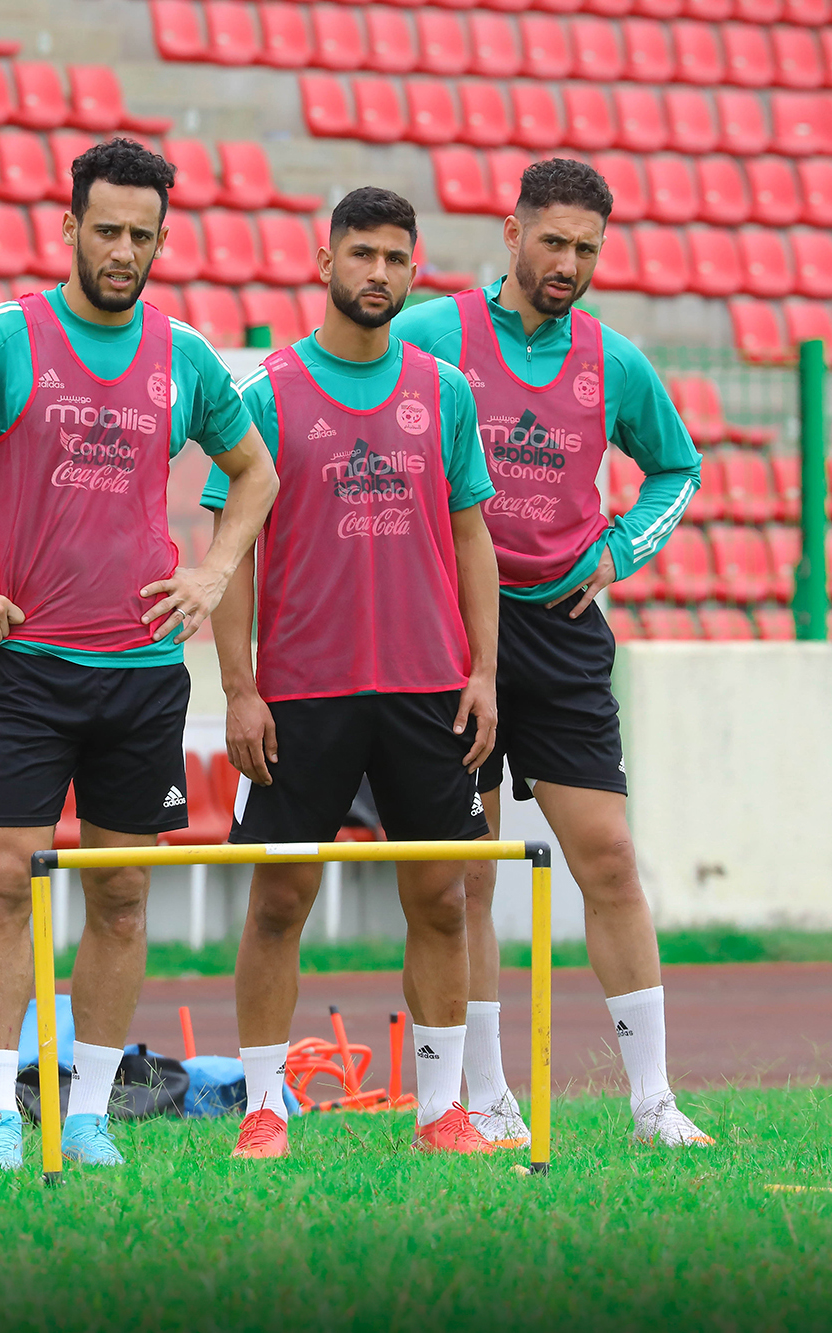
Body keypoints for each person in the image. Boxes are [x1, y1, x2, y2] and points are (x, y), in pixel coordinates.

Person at [0, 139, 278, 1172]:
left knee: (122, 894)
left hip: (142, 675)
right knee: (5, 880)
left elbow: (256, 472)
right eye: (106, 231)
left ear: (161, 239)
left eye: (142, 235)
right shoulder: (5, 338)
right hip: (29, 667)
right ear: (68, 228)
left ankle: (86, 1114)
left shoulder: (182, 354)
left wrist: (213, 571)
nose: (123, 251)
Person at [392, 157, 712, 1148]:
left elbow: (677, 468)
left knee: (608, 858)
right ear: (511, 232)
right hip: (452, 632)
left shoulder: (613, 360)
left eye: (586, 248)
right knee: (469, 876)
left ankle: (653, 1102)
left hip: (564, 630)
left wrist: (619, 551)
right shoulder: (431, 335)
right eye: (553, 242)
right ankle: (487, 1097)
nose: (568, 263)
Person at [202, 187, 502, 1159]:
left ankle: (440, 1110)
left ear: (414, 271)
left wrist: (484, 671)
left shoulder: (442, 389)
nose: (378, 272)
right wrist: (239, 688)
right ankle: (262, 1107)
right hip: (301, 694)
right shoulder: (264, 392)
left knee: (440, 898)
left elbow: (471, 536)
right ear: (323, 261)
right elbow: (231, 551)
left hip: (427, 689)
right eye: (361, 253)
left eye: (395, 258)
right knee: (278, 900)